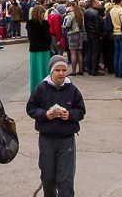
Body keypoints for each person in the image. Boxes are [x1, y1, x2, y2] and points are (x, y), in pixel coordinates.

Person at [26, 54, 86, 197]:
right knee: (48, 178)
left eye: (63, 70)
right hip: (47, 139)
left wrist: (70, 115)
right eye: (57, 70)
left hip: (66, 139)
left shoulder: (72, 90)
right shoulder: (41, 88)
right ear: (51, 71)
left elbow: (81, 110)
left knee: (65, 179)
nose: (61, 74)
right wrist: (45, 114)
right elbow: (31, 108)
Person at [27, 5, 52, 93]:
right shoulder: (44, 23)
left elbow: (30, 37)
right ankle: (46, 89)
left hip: (34, 50)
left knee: (34, 71)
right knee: (45, 70)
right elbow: (48, 37)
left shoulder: (29, 23)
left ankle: (34, 90)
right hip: (44, 50)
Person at [63, 1, 84, 76]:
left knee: (73, 53)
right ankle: (81, 69)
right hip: (80, 34)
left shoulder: (70, 15)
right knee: (79, 53)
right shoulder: (80, 14)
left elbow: (67, 25)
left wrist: (63, 27)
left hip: (72, 34)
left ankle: (74, 70)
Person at [109, 0, 122, 78]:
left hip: (114, 32)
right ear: (121, 1)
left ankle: (116, 71)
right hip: (121, 33)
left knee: (116, 53)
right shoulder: (121, 11)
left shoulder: (112, 10)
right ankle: (121, 72)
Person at [83, 0, 103, 75]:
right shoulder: (96, 12)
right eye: (97, 3)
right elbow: (97, 25)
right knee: (95, 52)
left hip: (89, 33)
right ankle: (94, 70)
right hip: (95, 34)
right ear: (93, 4)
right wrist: (100, 34)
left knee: (89, 51)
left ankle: (89, 68)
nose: (99, 4)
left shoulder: (86, 12)